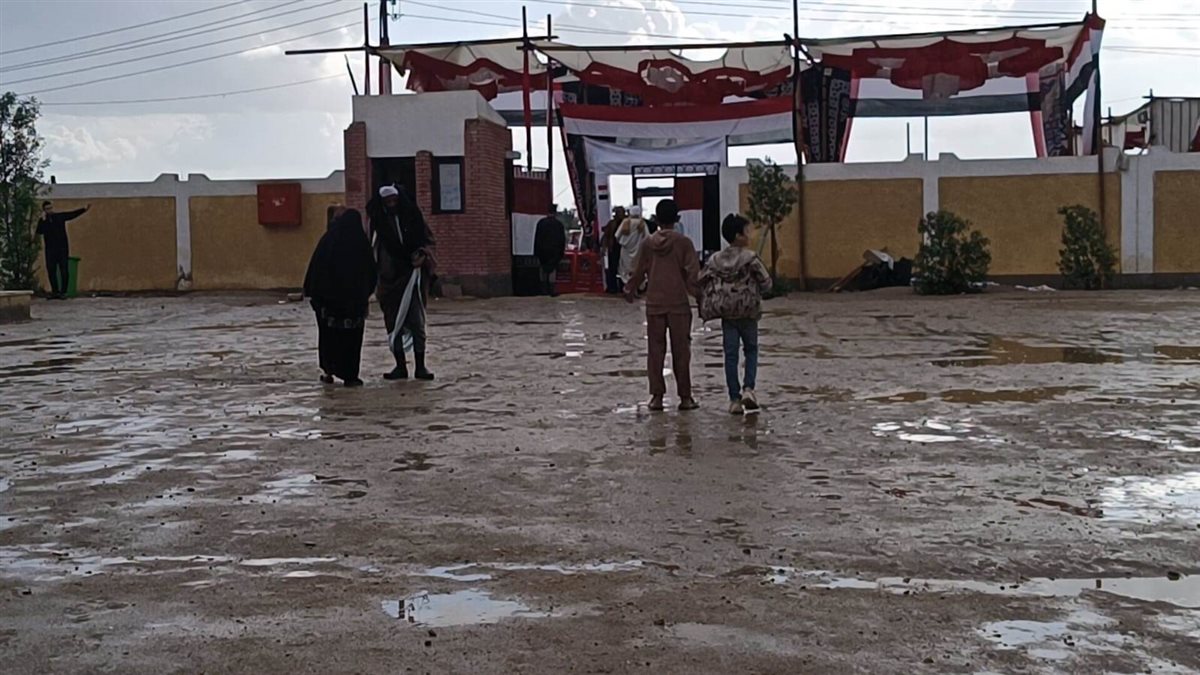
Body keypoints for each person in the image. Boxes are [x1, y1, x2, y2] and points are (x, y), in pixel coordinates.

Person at [624, 199, 701, 412]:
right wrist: (701, 297)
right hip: (678, 304)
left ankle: (656, 398)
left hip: (655, 303)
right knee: (681, 351)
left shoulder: (648, 244)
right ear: (677, 219)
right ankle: (685, 398)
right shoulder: (684, 243)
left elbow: (639, 271)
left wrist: (630, 289)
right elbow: (693, 275)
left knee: (655, 351)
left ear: (656, 220)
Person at [700, 214, 773, 415]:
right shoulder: (750, 258)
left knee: (730, 355)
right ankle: (749, 389)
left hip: (727, 314)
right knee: (751, 350)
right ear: (738, 235)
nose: (750, 235)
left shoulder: (715, 260)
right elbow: (767, 283)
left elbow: (702, 280)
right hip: (748, 313)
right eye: (747, 231)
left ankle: (734, 399)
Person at [368, 185, 436, 381]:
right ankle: (400, 366)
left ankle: (420, 367)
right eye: (387, 202)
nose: (391, 205)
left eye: (394, 201)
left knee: (417, 323)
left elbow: (429, 242)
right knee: (393, 324)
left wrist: (423, 256)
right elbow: (372, 250)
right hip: (389, 282)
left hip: (413, 278)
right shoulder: (377, 224)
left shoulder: (413, 218)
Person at [303, 209, 377, 387]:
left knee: (329, 338)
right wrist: (364, 294)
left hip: (330, 305)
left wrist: (317, 296)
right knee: (352, 341)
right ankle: (350, 375)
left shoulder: (329, 241)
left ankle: (329, 370)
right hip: (354, 306)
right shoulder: (361, 244)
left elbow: (317, 269)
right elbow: (371, 273)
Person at [35, 201, 91, 299]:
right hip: (50, 249)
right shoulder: (43, 221)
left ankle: (63, 292)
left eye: (50, 208)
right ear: (44, 210)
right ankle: (55, 291)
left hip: (62, 248)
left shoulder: (59, 217)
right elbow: (39, 231)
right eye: (47, 209)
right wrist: (43, 220)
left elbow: (71, 215)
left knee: (64, 270)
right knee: (51, 270)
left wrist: (83, 209)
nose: (50, 210)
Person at [533, 204, 567, 297]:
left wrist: (536, 252)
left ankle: (543, 289)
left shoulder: (541, 223)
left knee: (543, 270)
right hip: (554, 252)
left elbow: (537, 238)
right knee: (552, 270)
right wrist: (561, 253)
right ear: (555, 213)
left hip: (542, 251)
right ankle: (551, 289)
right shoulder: (559, 225)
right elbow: (562, 240)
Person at [616, 205, 648, 289]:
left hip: (625, 251)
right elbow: (647, 237)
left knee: (625, 270)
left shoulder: (625, 222)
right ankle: (637, 287)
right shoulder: (642, 223)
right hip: (639, 250)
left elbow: (617, 235)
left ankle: (627, 286)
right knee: (637, 269)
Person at [601, 206, 626, 294]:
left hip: (624, 249)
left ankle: (623, 287)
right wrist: (604, 248)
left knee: (623, 269)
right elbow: (606, 236)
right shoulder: (612, 223)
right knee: (612, 269)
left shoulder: (627, 223)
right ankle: (612, 287)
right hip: (613, 248)